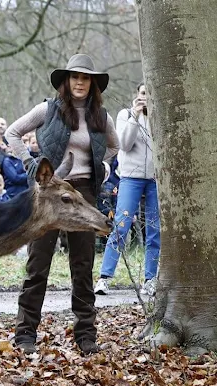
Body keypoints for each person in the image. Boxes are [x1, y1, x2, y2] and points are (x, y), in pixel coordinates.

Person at [5, 53, 119, 355]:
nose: (79, 82)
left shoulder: (101, 116)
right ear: (66, 81)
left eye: (85, 77)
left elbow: (114, 146)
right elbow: (12, 132)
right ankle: (25, 334)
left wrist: (102, 166)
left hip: (84, 194)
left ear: (91, 83)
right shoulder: (48, 109)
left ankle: (86, 336)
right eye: (74, 77)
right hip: (49, 193)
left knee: (82, 267)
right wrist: (31, 165)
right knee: (37, 264)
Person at [94, 82, 160, 297]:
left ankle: (150, 279)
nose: (146, 97)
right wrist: (136, 115)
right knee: (121, 226)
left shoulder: (160, 116)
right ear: (137, 95)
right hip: (130, 177)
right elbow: (124, 144)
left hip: (155, 179)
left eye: (149, 93)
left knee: (154, 230)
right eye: (143, 93)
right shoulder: (125, 115)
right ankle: (104, 277)